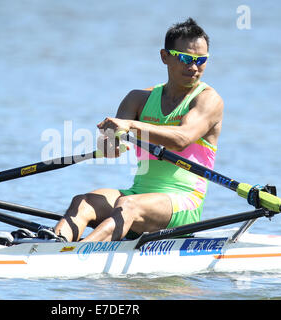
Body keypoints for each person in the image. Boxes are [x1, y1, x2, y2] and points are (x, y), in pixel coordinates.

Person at [53, 17, 224, 242]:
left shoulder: (208, 100)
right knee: (83, 201)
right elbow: (109, 147)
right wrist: (109, 142)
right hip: (137, 196)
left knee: (128, 206)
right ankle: (53, 245)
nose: (193, 67)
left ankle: (78, 255)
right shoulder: (137, 99)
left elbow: (181, 139)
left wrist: (132, 125)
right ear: (165, 57)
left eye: (201, 60)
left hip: (183, 203)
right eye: (185, 58)